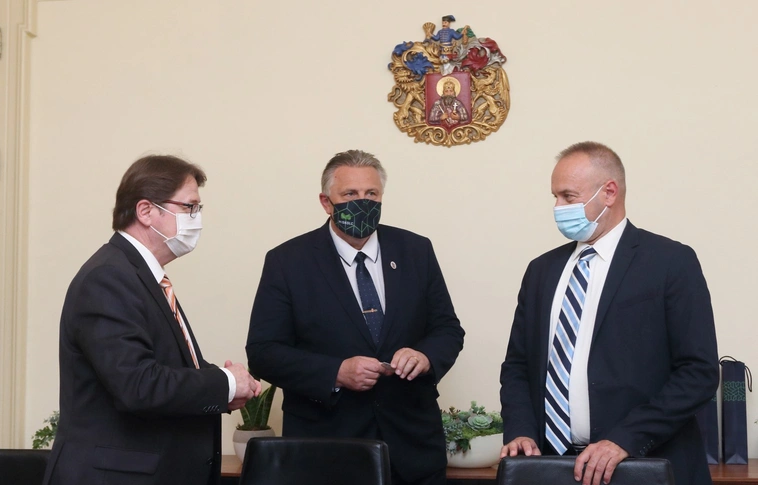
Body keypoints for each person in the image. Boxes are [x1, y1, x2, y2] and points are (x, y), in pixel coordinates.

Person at [499, 142, 718, 485]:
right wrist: (520, 430)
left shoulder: (670, 262)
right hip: (551, 466)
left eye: (568, 197)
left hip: (644, 466)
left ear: (609, 192)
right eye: (555, 197)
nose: (558, 208)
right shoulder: (541, 270)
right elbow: (517, 366)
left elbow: (698, 372)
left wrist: (625, 439)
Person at [247, 149, 464, 485]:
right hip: (327, 450)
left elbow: (447, 328)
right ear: (326, 202)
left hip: (413, 446)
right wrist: (335, 372)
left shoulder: (415, 250)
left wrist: (424, 356)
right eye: (350, 194)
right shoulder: (287, 261)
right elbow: (263, 352)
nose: (363, 202)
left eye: (371, 193)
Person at [43, 155, 261, 485]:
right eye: (189, 207)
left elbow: (166, 365)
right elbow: (138, 385)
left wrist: (227, 387)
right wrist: (226, 382)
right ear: (145, 211)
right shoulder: (108, 277)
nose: (196, 219)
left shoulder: (140, 276)